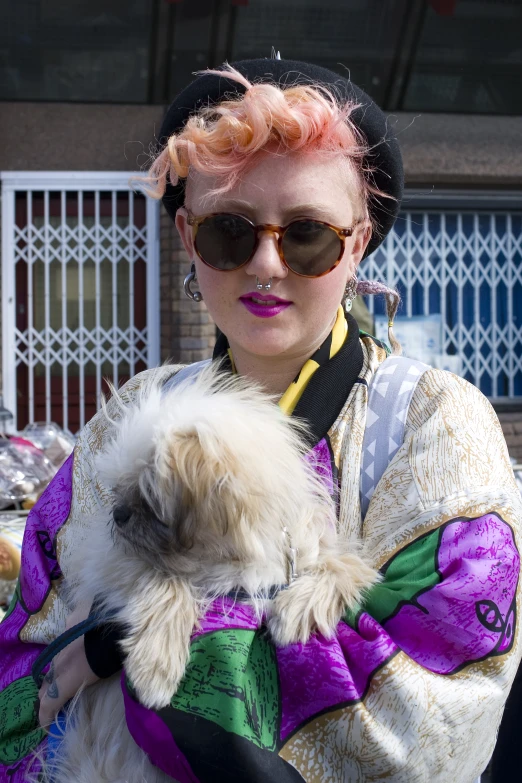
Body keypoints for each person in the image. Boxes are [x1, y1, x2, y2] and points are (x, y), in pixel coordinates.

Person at [0, 57, 520, 783]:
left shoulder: (432, 423)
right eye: (229, 233)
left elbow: (429, 714)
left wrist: (117, 645)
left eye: (307, 234)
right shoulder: (131, 412)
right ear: (188, 237)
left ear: (357, 242)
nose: (267, 265)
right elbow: (28, 651)